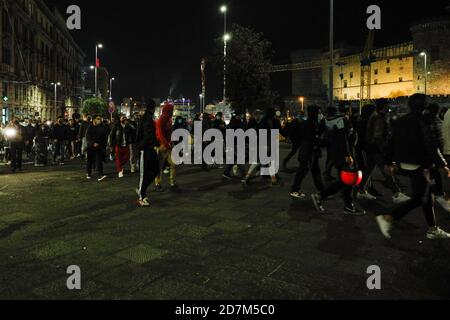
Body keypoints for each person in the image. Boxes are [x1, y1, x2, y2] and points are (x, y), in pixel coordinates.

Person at [376, 94, 450, 240]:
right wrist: (442, 164)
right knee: (419, 198)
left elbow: (390, 143)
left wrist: (387, 162)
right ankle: (388, 218)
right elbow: (431, 144)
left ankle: (432, 228)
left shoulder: (400, 121)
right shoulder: (424, 120)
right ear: (424, 106)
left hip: (405, 164)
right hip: (420, 165)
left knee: (427, 195)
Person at [311, 107, 366, 216]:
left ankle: (348, 205)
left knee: (346, 179)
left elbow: (320, 137)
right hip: (345, 154)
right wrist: (348, 154)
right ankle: (321, 195)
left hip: (334, 154)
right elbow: (345, 139)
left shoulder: (325, 122)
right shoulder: (343, 120)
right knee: (347, 180)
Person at [290, 106, 325, 199]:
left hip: (311, 152)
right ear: (314, 113)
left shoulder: (313, 122)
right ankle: (294, 190)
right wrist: (323, 143)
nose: (320, 114)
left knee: (316, 172)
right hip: (307, 152)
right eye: (319, 112)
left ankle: (323, 190)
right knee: (302, 171)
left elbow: (317, 134)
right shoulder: (308, 124)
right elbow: (311, 138)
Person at [423, 103, 450, 213]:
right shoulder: (435, 122)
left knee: (436, 174)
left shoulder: (425, 121)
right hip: (439, 152)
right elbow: (437, 141)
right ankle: (442, 197)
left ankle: (440, 195)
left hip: (439, 152)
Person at [135, 100, 160, 207]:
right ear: (153, 108)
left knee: (155, 170)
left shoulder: (147, 118)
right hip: (146, 149)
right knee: (145, 173)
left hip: (149, 148)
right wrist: (144, 146)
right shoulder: (147, 119)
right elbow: (147, 135)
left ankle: (141, 189)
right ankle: (141, 196)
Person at [154, 103, 179, 192]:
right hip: (162, 146)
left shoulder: (168, 120)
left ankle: (172, 183)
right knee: (159, 167)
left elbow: (171, 133)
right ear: (167, 111)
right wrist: (168, 144)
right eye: (171, 110)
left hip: (168, 146)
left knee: (174, 164)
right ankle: (157, 184)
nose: (172, 112)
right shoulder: (160, 120)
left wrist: (171, 143)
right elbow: (160, 135)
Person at [355, 104, 377, 200]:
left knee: (366, 170)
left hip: (362, 148)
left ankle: (366, 189)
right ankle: (362, 190)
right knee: (365, 170)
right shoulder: (365, 122)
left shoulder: (362, 120)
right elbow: (365, 137)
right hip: (363, 148)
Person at [222, 110, 247, 180]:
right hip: (235, 143)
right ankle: (244, 173)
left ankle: (226, 173)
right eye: (240, 115)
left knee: (233, 159)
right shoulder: (234, 123)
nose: (241, 116)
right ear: (237, 115)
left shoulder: (238, 122)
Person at [85, 115, 109, 181]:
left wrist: (105, 145)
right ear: (94, 120)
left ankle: (100, 175)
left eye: (100, 119)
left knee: (99, 161)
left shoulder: (102, 127)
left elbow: (105, 137)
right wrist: (93, 143)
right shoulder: (90, 128)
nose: (100, 120)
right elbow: (88, 138)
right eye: (98, 119)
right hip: (91, 147)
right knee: (89, 161)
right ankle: (88, 173)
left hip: (100, 147)